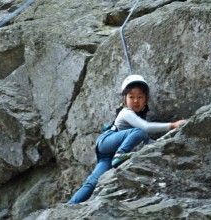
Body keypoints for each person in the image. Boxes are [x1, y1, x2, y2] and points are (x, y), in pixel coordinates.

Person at [68, 75, 186, 204]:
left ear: (146, 100)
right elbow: (145, 128)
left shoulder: (139, 118)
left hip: (107, 155)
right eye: (131, 97)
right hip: (107, 141)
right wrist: (173, 125)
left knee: (92, 183)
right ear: (125, 99)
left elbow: (147, 140)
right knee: (139, 132)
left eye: (140, 97)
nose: (136, 101)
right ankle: (120, 154)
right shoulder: (126, 112)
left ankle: (69, 206)